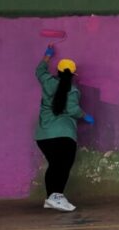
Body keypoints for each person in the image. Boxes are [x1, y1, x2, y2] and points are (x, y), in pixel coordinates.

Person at [34, 44, 93, 212]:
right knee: (63, 165)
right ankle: (56, 195)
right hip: (64, 135)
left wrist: (47, 56)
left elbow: (39, 71)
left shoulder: (47, 82)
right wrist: (85, 116)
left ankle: (51, 197)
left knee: (54, 165)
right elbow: (72, 110)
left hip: (43, 136)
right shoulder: (73, 91)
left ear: (58, 71)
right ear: (73, 75)